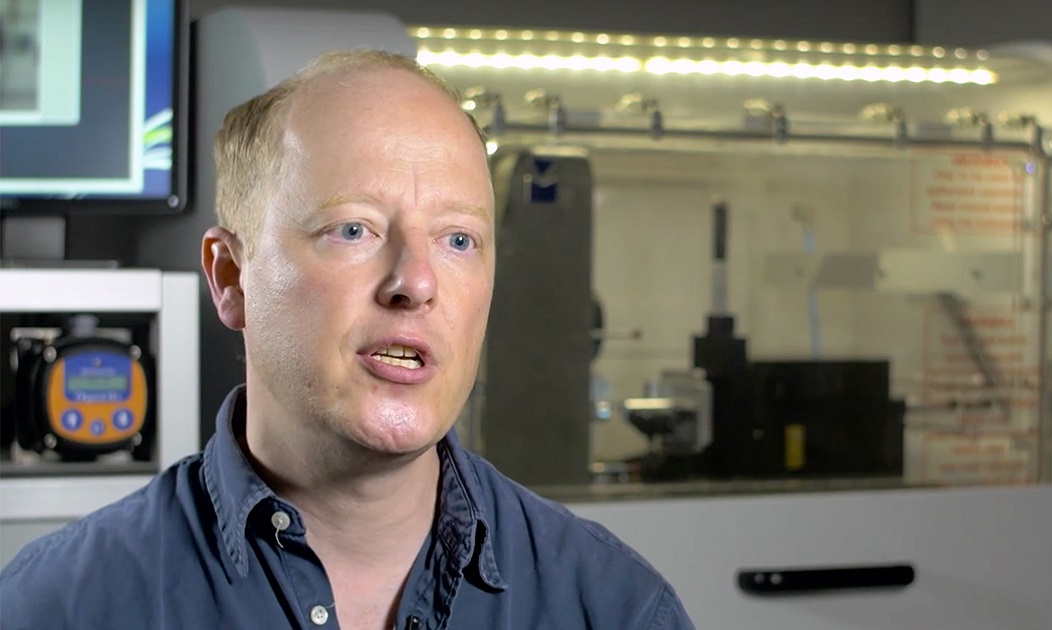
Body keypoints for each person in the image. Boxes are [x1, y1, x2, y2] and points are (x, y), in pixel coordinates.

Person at [0, 49, 694, 629]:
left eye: (458, 239)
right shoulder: (59, 608)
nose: (415, 281)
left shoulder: (614, 609)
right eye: (353, 229)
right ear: (230, 277)